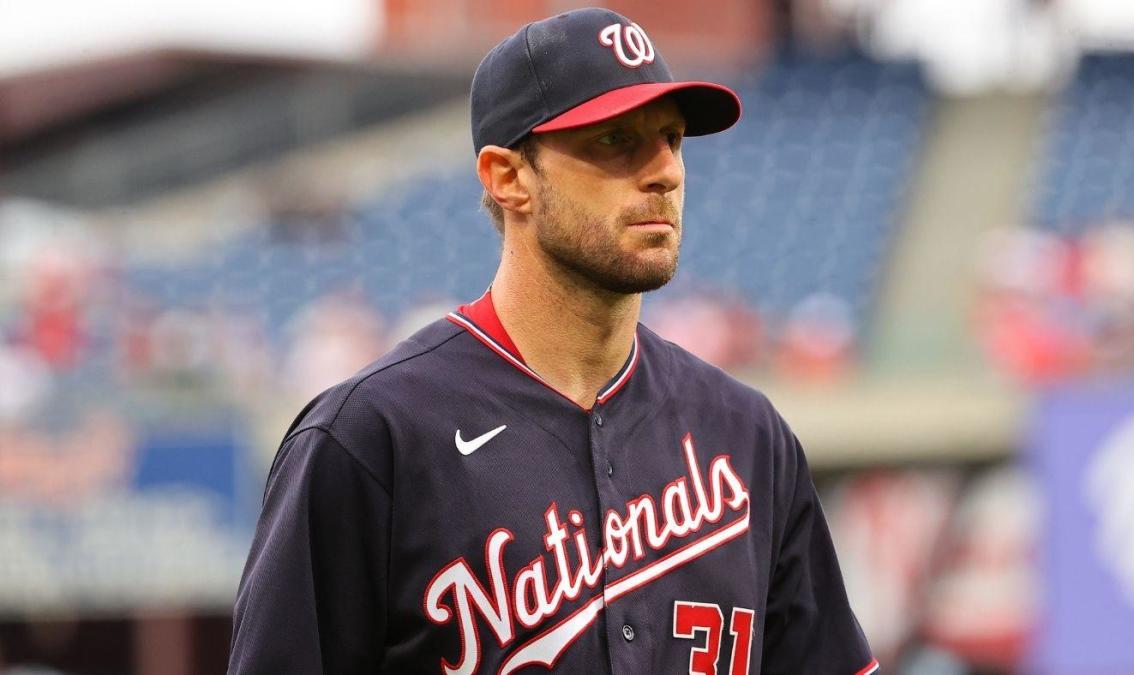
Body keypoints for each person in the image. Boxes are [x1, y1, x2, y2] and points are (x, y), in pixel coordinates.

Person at [228, 7, 876, 674]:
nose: (666, 172)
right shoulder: (371, 437)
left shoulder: (749, 437)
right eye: (617, 140)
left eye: (673, 139)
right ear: (508, 177)